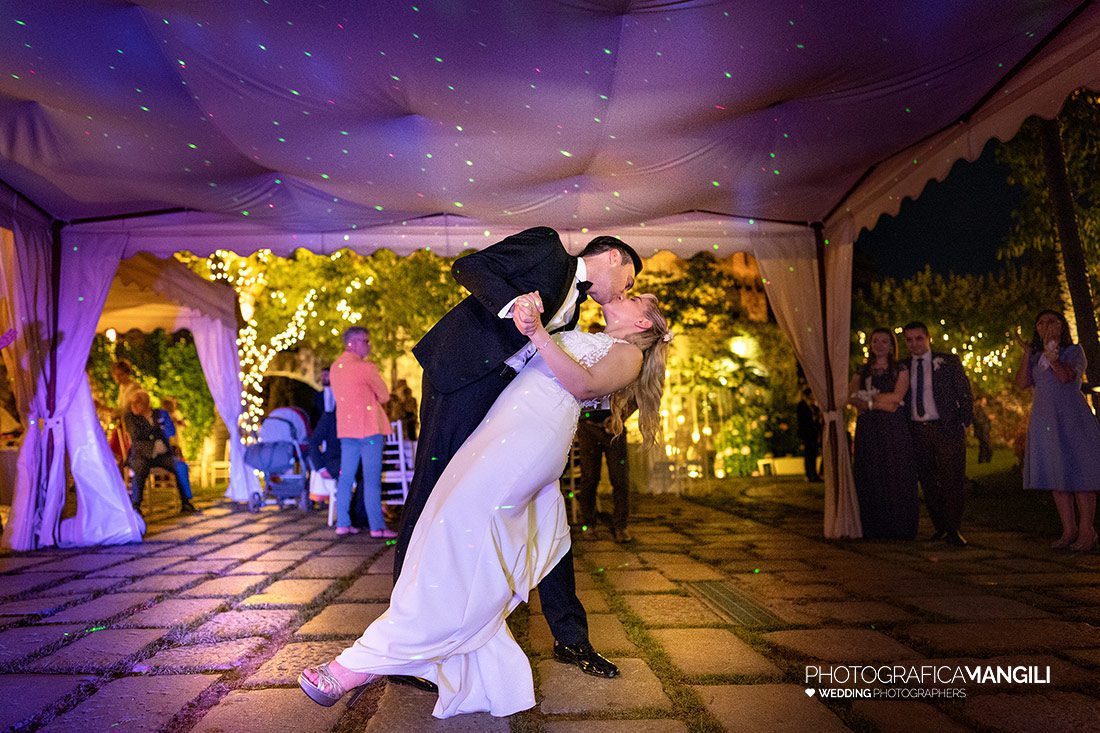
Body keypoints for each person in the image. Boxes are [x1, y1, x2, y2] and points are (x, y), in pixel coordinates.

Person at [299, 293, 670, 717]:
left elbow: (582, 384)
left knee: (455, 544)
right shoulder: (587, 334)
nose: (626, 294)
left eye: (636, 297)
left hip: (527, 443)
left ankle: (356, 666)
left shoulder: (628, 355)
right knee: (442, 537)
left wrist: (540, 334)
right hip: (497, 436)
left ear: (643, 324)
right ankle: (487, 671)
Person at [390, 226, 641, 687]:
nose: (626, 291)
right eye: (628, 281)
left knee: (546, 515)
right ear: (614, 257)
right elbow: (468, 265)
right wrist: (514, 304)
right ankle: (404, 646)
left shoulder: (580, 309)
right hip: (460, 379)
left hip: (506, 411)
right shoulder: (546, 245)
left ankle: (570, 635)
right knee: (431, 498)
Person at [1014, 309, 1100, 551]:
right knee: (1056, 474)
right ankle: (1068, 529)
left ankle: (1087, 530)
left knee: (1081, 474)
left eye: (1051, 321)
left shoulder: (1074, 352)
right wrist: (1028, 353)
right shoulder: (1035, 357)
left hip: (1072, 417)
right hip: (1045, 420)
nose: (1045, 326)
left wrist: (1052, 356)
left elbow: (1065, 377)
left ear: (1062, 326)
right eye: (1040, 322)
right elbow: (1021, 383)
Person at [902, 321, 974, 547]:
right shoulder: (903, 367)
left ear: (928, 338)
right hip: (916, 430)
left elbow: (964, 391)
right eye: (909, 340)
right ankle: (940, 526)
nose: (914, 344)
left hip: (946, 427)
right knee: (928, 480)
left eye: (919, 338)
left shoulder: (948, 362)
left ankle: (954, 528)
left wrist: (964, 421)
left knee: (952, 479)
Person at [848, 328, 919, 539]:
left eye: (885, 341)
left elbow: (897, 398)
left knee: (894, 471)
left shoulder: (900, 369)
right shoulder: (862, 370)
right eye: (876, 341)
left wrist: (868, 400)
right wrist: (878, 402)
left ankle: (898, 527)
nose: (880, 345)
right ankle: (873, 527)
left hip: (893, 429)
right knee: (871, 472)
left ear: (891, 345)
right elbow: (852, 396)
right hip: (869, 428)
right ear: (870, 345)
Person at [329, 327, 395, 538]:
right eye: (365, 341)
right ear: (352, 343)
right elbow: (384, 395)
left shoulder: (335, 367)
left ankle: (343, 523)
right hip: (369, 429)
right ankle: (377, 527)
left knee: (346, 477)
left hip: (347, 430)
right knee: (371, 479)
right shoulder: (366, 368)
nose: (369, 345)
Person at [575, 386, 636, 544]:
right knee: (589, 478)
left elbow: (637, 395)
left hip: (616, 428)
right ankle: (588, 525)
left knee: (620, 478)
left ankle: (621, 526)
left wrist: (620, 417)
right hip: (588, 425)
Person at [124, 390, 197, 515]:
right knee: (139, 469)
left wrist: (154, 432)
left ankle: (186, 502)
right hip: (141, 455)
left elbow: (170, 431)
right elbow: (136, 434)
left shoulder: (161, 413)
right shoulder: (130, 417)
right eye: (132, 404)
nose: (133, 406)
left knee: (181, 467)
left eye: (137, 403)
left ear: (146, 403)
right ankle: (136, 506)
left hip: (163, 455)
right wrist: (157, 430)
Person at [796, 387, 823, 482]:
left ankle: (814, 474)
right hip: (807, 433)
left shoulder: (814, 407)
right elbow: (801, 420)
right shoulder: (802, 405)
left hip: (814, 433)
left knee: (813, 454)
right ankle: (809, 474)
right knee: (808, 454)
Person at [972, 396, 993, 464]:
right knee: (985, 444)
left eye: (985, 400)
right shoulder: (976, 409)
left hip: (986, 430)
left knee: (983, 445)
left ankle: (983, 460)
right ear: (980, 401)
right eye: (984, 400)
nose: (985, 402)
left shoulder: (986, 408)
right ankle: (986, 458)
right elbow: (976, 419)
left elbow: (987, 418)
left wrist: (990, 419)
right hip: (980, 430)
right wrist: (988, 419)